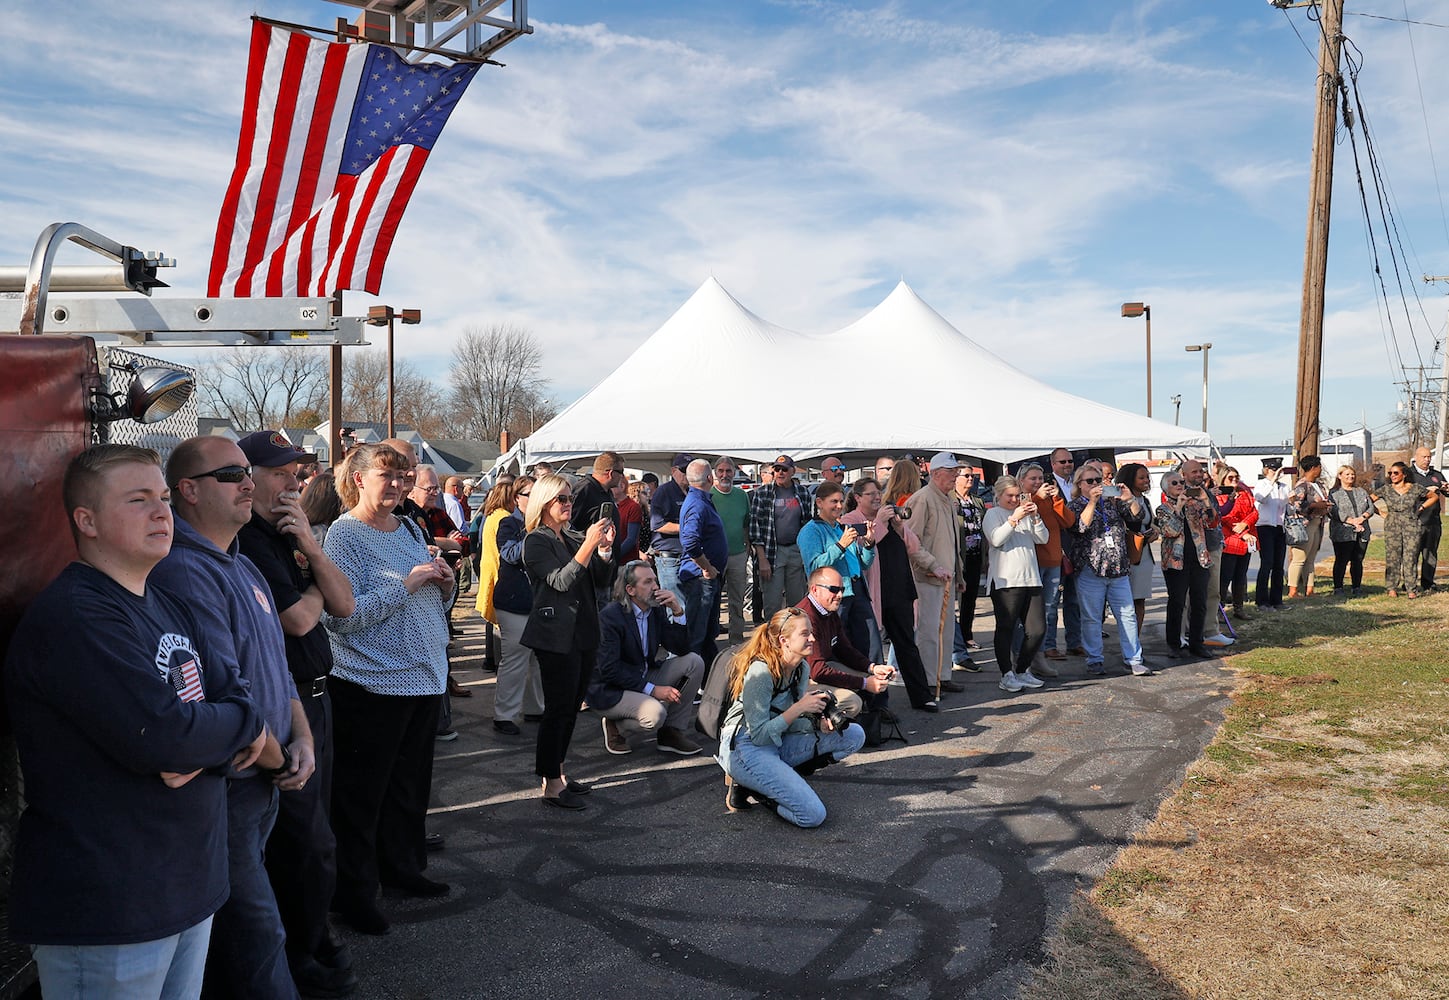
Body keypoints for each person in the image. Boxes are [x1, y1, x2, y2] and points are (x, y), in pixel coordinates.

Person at [6, 445, 266, 1000]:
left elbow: (241, 700)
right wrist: (207, 736)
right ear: (87, 521)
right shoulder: (77, 617)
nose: (161, 513)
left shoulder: (170, 601)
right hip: (110, 906)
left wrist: (206, 739)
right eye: (138, 500)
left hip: (189, 887)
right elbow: (165, 738)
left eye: (165, 499)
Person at [151, 437, 311, 1000]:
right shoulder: (185, 572)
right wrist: (276, 759)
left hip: (261, 780)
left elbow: (276, 666)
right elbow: (224, 694)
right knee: (256, 937)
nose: (248, 482)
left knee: (241, 937)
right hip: (228, 790)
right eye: (230, 474)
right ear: (187, 491)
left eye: (248, 472)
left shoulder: (241, 564)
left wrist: (304, 735)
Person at [236, 431, 360, 998]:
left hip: (315, 694)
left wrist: (312, 552)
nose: (295, 482)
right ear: (250, 475)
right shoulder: (249, 541)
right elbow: (300, 621)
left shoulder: (292, 534)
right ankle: (302, 953)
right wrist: (313, 586)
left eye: (298, 472)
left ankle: (311, 936)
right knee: (301, 841)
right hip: (279, 702)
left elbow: (343, 603)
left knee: (316, 833)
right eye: (282, 472)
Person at [321, 443, 454, 936]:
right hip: (370, 683)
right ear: (358, 479)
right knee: (361, 797)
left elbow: (432, 599)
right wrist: (410, 583)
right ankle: (354, 894)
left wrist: (443, 583)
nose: (397, 485)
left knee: (408, 789)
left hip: (423, 678)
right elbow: (344, 618)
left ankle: (402, 870)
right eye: (387, 476)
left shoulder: (411, 527)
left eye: (403, 477)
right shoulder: (344, 535)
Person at [716, 608, 866, 828]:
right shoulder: (761, 671)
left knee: (853, 734)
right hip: (744, 747)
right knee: (812, 815)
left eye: (812, 632)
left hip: (776, 741)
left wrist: (818, 724)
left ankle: (769, 779)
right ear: (784, 640)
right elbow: (758, 735)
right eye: (805, 634)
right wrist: (799, 708)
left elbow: (788, 722)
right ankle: (759, 790)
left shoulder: (800, 667)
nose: (813, 639)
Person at [521, 474, 615, 810]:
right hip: (555, 637)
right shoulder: (536, 541)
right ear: (543, 503)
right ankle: (550, 783)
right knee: (557, 710)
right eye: (561, 499)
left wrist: (603, 550)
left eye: (569, 498)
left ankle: (557, 771)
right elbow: (560, 583)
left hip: (584, 632)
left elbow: (603, 580)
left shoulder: (572, 537)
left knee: (571, 708)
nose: (568, 504)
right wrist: (589, 546)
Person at [589, 560, 703, 756]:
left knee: (694, 662)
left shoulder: (654, 610)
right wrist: (653, 690)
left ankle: (671, 732)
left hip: (640, 675)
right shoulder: (610, 617)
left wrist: (677, 611)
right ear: (630, 590)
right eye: (648, 582)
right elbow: (609, 669)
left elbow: (680, 648)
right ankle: (616, 727)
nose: (656, 587)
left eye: (655, 581)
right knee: (655, 714)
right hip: (612, 688)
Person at [844, 479, 936, 711]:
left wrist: (899, 526)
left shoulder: (888, 520)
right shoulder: (851, 521)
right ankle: (875, 706)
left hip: (899, 591)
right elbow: (863, 553)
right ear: (858, 498)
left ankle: (922, 696)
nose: (877, 497)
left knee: (907, 645)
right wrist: (880, 523)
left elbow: (913, 546)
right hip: (871, 595)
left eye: (879, 493)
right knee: (871, 651)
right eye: (871, 494)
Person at [1067, 461, 1151, 676]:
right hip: (1091, 568)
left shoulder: (1112, 502)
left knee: (1127, 615)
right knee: (1092, 617)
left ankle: (1134, 659)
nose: (1096, 484)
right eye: (1090, 481)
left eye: (1098, 480)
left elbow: (1137, 516)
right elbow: (1080, 527)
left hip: (1118, 568)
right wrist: (1092, 502)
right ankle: (1094, 658)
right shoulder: (1075, 505)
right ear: (1080, 484)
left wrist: (1129, 498)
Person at [478, 477, 545, 736]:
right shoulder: (508, 522)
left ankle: (535, 708)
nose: (536, 499)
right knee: (515, 658)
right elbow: (509, 555)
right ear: (517, 498)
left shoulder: (543, 524)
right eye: (530, 494)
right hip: (514, 602)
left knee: (538, 658)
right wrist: (534, 531)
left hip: (538, 602)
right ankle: (504, 715)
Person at [904, 453, 966, 695]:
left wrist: (959, 574)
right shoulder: (922, 499)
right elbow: (911, 541)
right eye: (951, 472)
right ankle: (929, 680)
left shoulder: (946, 499)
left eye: (956, 472)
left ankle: (942, 675)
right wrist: (931, 566)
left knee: (945, 629)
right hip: (927, 578)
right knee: (929, 631)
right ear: (936, 473)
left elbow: (952, 542)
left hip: (946, 578)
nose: (956, 477)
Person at [795, 567, 894, 718]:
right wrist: (865, 683)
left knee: (864, 675)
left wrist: (873, 668)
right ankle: (813, 726)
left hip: (812, 672)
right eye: (834, 589)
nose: (840, 595)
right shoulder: (806, 617)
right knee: (852, 702)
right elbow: (818, 671)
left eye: (842, 589)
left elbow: (844, 649)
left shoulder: (828, 610)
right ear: (815, 590)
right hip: (797, 682)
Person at [798, 480, 876, 661]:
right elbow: (815, 567)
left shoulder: (843, 528)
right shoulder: (810, 531)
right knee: (840, 649)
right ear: (819, 503)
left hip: (858, 591)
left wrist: (869, 544)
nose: (839, 506)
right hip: (834, 596)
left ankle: (872, 684)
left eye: (841, 501)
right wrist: (841, 545)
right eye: (833, 501)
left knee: (870, 646)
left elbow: (863, 564)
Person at [984, 475, 1049, 692]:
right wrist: (1014, 519)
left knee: (1038, 629)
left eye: (1017, 495)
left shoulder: (1026, 513)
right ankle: (1006, 674)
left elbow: (1043, 538)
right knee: (1006, 628)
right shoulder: (993, 514)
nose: (1014, 500)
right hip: (1006, 581)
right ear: (999, 495)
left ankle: (1022, 669)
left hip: (1031, 578)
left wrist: (1036, 517)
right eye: (1009, 496)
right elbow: (996, 539)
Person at [1016, 462, 1074, 677]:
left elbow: (1068, 521)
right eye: (1033, 478)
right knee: (1028, 614)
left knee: (1049, 610)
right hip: (1031, 563)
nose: (1038, 482)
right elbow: (1025, 515)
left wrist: (1057, 498)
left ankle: (1041, 654)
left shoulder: (1049, 498)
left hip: (1053, 561)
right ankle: (1026, 658)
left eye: (1041, 478)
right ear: (1022, 481)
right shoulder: (1022, 498)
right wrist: (1038, 496)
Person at [1154, 471, 1218, 659]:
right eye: (1175, 483)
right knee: (1177, 603)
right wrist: (1178, 508)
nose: (1180, 485)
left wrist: (1206, 500)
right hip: (1176, 562)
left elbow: (1212, 523)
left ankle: (1197, 643)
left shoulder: (1195, 505)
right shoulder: (1163, 509)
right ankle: (1173, 643)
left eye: (1182, 482)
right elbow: (1170, 531)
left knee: (1199, 603)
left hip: (1199, 559)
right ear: (1166, 488)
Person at [747, 454, 814, 614]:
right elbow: (755, 527)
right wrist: (762, 559)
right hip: (772, 553)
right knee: (772, 604)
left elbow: (806, 524)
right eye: (777, 469)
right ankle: (772, 638)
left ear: (793, 471)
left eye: (784, 469)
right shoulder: (762, 493)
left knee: (797, 604)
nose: (780, 472)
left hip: (796, 551)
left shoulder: (803, 493)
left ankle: (796, 637)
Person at [1375, 461, 1438, 598]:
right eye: (1390, 473)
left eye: (1396, 473)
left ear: (1404, 474)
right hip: (1392, 525)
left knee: (1410, 556)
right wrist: (1381, 513)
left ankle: (1411, 589)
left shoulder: (1415, 488)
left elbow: (1433, 496)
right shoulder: (1386, 489)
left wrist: (1421, 508)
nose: (1392, 475)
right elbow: (1369, 500)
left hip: (1411, 524)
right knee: (1393, 557)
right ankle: (1391, 587)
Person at [1048, 448, 1085, 656]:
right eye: (1062, 461)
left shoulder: (1079, 483)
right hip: (1057, 550)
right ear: (1053, 464)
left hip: (1077, 550)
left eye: (1070, 461)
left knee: (1074, 600)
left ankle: (1074, 642)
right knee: (1052, 601)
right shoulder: (1048, 486)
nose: (1067, 464)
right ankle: (1049, 645)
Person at [711, 456, 751, 644]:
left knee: (737, 602)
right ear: (715, 473)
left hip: (738, 555)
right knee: (712, 602)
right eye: (721, 471)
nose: (725, 475)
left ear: (734, 472)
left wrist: (747, 549)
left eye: (728, 471)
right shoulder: (708, 495)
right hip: (714, 558)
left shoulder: (741, 496)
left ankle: (736, 644)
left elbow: (746, 525)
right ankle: (711, 645)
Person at [1115, 464, 1158, 633]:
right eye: (1142, 477)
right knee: (1127, 600)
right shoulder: (1120, 500)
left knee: (1140, 599)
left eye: (1147, 477)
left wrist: (1154, 531)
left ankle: (1136, 637)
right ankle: (1127, 638)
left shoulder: (1145, 501)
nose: (1146, 480)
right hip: (1128, 553)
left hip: (1144, 554)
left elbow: (1149, 522)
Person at [952, 467, 987, 670]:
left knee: (970, 598)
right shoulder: (950, 500)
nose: (970, 479)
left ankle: (967, 635)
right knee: (955, 599)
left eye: (973, 476)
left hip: (975, 554)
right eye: (966, 475)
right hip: (959, 556)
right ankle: (957, 641)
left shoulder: (977, 500)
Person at [1215, 466, 1258, 620]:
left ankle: (1239, 608)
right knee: (1224, 578)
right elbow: (1225, 516)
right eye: (1230, 478)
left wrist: (1245, 524)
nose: (1234, 481)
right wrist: (1242, 532)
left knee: (1240, 577)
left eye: (1236, 477)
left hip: (1245, 540)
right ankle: (1219, 609)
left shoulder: (1244, 492)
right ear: (1223, 479)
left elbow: (1254, 511)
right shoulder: (1219, 494)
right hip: (1230, 540)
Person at [1286, 455, 1331, 599]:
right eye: (1319, 466)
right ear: (1313, 468)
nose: (1320, 469)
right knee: (1299, 558)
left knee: (1311, 558)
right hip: (1305, 525)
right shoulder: (1302, 485)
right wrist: (1316, 505)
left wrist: (1325, 507)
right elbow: (1296, 505)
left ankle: (1309, 589)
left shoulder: (1318, 485)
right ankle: (1293, 590)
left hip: (1317, 523)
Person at [649, 454, 691, 596]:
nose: (687, 474)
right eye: (684, 470)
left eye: (690, 470)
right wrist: (687, 528)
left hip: (688, 555)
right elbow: (657, 525)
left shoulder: (692, 491)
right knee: (675, 605)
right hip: (670, 558)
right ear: (673, 471)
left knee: (688, 605)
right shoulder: (664, 492)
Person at [1327, 465, 1372, 597]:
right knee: (1342, 560)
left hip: (1362, 530)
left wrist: (1362, 518)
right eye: (1347, 474)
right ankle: (1338, 587)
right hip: (1343, 532)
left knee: (1357, 560)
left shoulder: (1361, 491)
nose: (1350, 477)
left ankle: (1356, 586)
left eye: (1352, 474)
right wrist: (1351, 521)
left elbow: (1370, 507)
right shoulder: (1334, 493)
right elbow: (1333, 511)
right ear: (1340, 476)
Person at [1252, 459, 1291, 611]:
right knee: (1266, 563)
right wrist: (1272, 481)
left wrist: (1292, 501)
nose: (1277, 472)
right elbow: (1260, 498)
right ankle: (1261, 600)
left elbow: (1284, 507)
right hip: (1265, 527)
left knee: (1278, 566)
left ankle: (1277, 600)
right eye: (1273, 470)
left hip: (1279, 527)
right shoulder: (1262, 484)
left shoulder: (1284, 487)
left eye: (1278, 470)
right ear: (1266, 470)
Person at [1408, 446, 1447, 591]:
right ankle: (1410, 583)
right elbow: (1404, 494)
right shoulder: (1408, 475)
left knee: (1430, 553)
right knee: (1412, 554)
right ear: (1416, 458)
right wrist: (1426, 491)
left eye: (1429, 457)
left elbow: (1444, 491)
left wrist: (1446, 489)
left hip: (1433, 520)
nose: (1427, 459)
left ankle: (1428, 583)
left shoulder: (1436, 474)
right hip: (1414, 519)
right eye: (1424, 457)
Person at [614, 475, 645, 564]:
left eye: (612, 487)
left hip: (627, 562)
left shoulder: (633, 507)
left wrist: (614, 556)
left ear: (622, 486)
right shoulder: (611, 505)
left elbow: (631, 539)